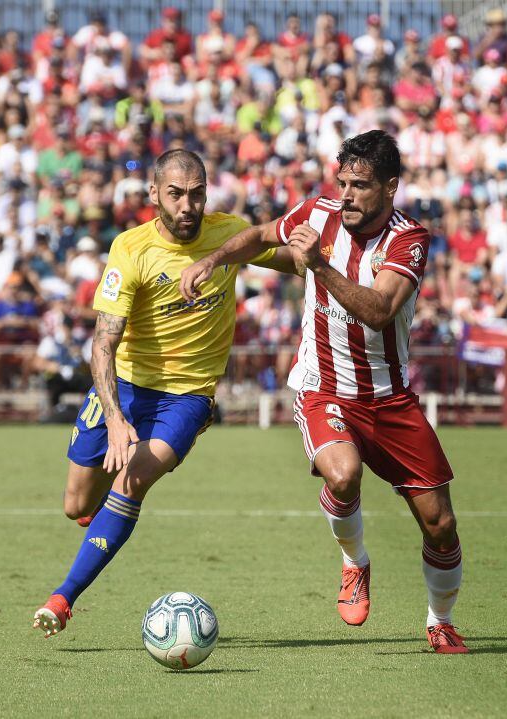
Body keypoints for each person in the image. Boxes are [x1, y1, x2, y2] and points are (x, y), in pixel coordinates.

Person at [180, 131, 468, 654]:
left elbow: (379, 310)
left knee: (440, 524)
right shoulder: (320, 213)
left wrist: (318, 266)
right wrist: (214, 259)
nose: (348, 194)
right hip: (323, 388)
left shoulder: (410, 240)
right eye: (343, 183)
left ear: (390, 187)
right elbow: (263, 234)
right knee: (342, 472)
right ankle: (355, 561)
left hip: (390, 398)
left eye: (361, 185)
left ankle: (439, 621)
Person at [32, 149, 292, 637]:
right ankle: (105, 516)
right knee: (76, 505)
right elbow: (103, 344)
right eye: (175, 194)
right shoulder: (131, 250)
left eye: (196, 194)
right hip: (125, 386)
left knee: (132, 481)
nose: (187, 205)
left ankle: (62, 599)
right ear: (154, 194)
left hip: (188, 396)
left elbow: (295, 261)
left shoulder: (228, 234)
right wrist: (113, 417)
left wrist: (331, 258)